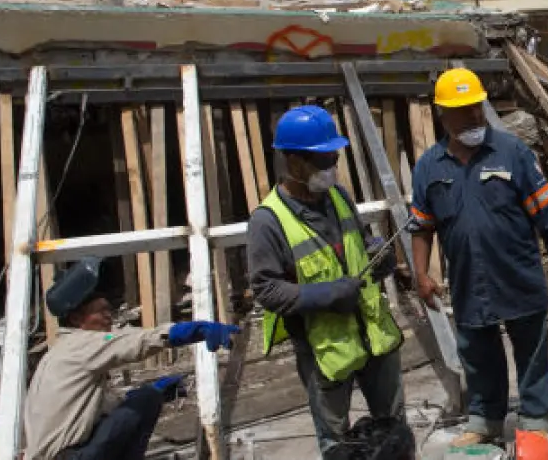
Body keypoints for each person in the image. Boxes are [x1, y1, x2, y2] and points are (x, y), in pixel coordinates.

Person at [410, 68, 548, 447]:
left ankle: (535, 416)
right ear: (442, 115)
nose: (473, 117)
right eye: (462, 110)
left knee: (530, 349)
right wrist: (421, 273)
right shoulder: (429, 167)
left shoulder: (512, 152)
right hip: (469, 280)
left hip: (516, 273)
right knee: (478, 353)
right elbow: (422, 226)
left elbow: (546, 207)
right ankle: (485, 418)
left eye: (476, 107)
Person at [247, 105, 406, 459]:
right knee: (337, 445)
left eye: (333, 157)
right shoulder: (268, 221)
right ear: (293, 161)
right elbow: (267, 290)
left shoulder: (338, 196)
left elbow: (360, 242)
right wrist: (330, 294)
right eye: (322, 161)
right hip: (325, 351)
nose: (331, 167)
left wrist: (377, 255)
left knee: (394, 433)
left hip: (374, 337)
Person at [24, 257, 239, 460]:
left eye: (110, 311)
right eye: (101, 312)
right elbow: (136, 341)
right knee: (146, 399)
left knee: (144, 396)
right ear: (77, 318)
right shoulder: (83, 344)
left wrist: (157, 391)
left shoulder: (58, 354)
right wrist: (194, 330)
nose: (109, 317)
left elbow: (97, 407)